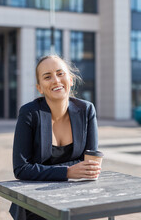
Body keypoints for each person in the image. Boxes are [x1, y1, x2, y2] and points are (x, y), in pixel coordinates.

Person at [10, 55, 101, 220]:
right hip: (36, 203)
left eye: (60, 73)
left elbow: (89, 165)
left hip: (75, 199)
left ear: (71, 79)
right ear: (40, 88)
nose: (56, 80)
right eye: (47, 77)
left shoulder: (87, 110)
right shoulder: (29, 113)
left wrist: (43, 170)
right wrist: (67, 172)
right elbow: (21, 169)